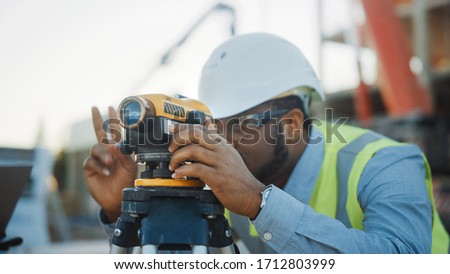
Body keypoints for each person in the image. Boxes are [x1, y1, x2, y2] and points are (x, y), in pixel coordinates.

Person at [83, 32, 449, 253]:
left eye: (237, 125)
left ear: (290, 124)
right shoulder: (217, 183)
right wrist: (127, 210)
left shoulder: (386, 163)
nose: (219, 141)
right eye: (212, 126)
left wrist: (259, 202)